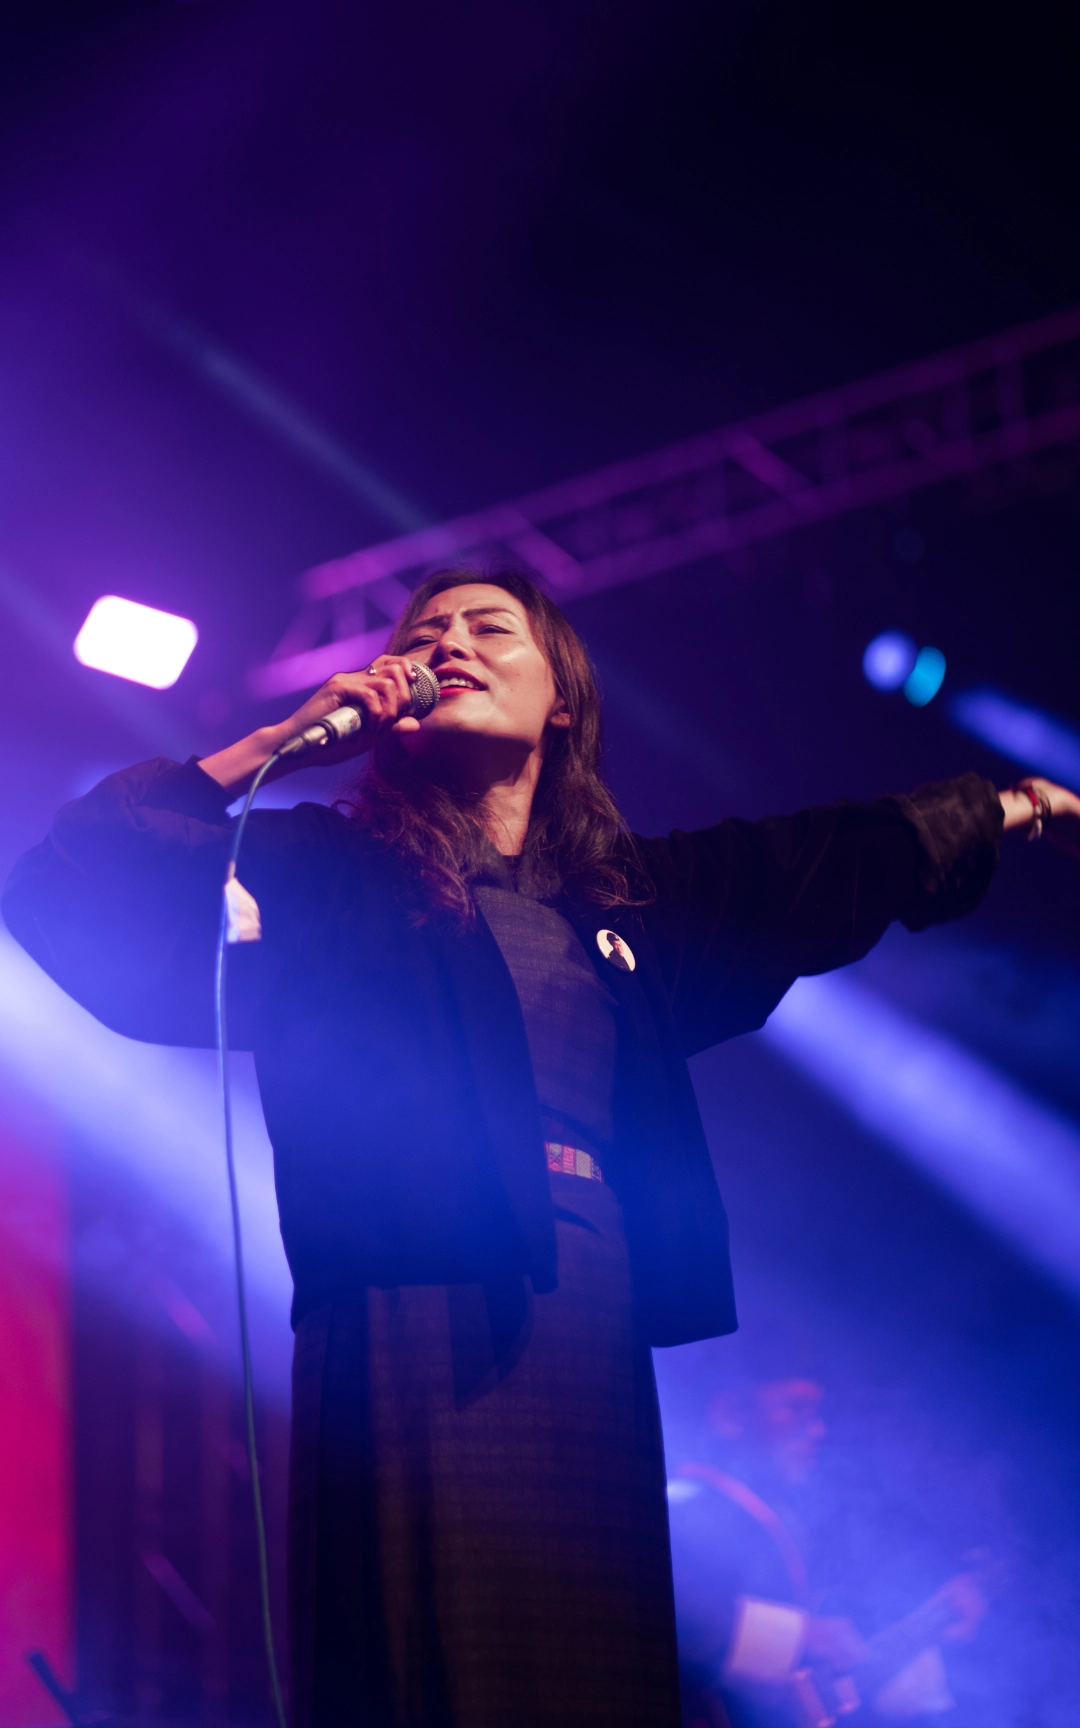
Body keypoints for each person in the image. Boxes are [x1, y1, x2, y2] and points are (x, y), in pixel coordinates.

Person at [3, 568, 1075, 1728]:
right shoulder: (320, 872)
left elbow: (816, 863)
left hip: (590, 1317)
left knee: (593, 1665)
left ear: (562, 697)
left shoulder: (627, 904)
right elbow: (73, 888)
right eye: (425, 634)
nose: (448, 644)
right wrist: (286, 738)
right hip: (410, 1308)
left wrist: (1007, 807)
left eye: (487, 626)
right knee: (426, 1664)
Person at [668, 1357, 987, 1727]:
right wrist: (796, 1638)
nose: (816, 1430)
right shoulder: (682, 1502)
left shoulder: (778, 1516)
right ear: (732, 1415)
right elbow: (667, 1612)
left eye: (816, 1413)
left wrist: (918, 1636)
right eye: (793, 1408)